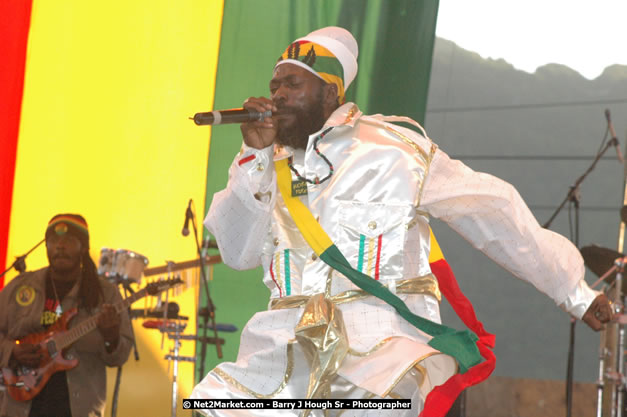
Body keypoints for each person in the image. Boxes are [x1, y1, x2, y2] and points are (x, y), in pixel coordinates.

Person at [191, 27, 613, 416]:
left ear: (330, 91)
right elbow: (237, 251)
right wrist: (255, 158)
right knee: (219, 403)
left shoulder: (398, 154)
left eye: (292, 83)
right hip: (285, 350)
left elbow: (494, 213)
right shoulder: (261, 164)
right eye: (274, 86)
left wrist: (574, 292)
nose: (278, 95)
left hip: (378, 356)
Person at [0, 214, 133, 417]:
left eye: (69, 240)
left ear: (84, 248)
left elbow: (120, 356)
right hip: (19, 406)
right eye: (53, 241)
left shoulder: (105, 294)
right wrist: (12, 351)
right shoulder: (20, 287)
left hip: (78, 408)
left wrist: (111, 338)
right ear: (46, 246)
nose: (60, 246)